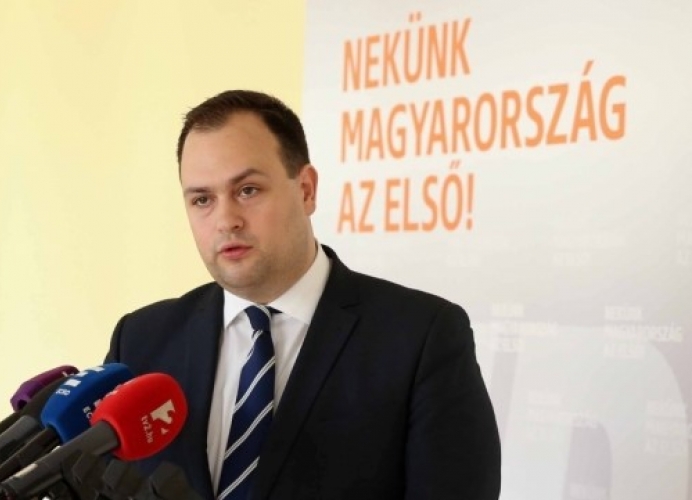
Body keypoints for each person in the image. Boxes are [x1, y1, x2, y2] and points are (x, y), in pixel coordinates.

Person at [105, 90, 501, 500]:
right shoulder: (141, 339)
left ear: (307, 190)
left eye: (247, 190)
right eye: (202, 199)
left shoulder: (421, 337)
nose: (226, 220)